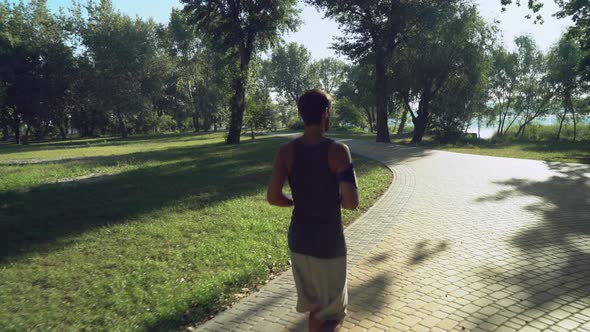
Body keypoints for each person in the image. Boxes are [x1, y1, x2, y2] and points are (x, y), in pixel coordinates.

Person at [267, 88, 359, 332]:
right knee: (333, 314)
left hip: (299, 241)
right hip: (328, 244)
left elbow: (273, 197)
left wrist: (296, 201)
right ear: (325, 113)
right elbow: (351, 203)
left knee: (317, 308)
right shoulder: (338, 151)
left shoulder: (285, 152)